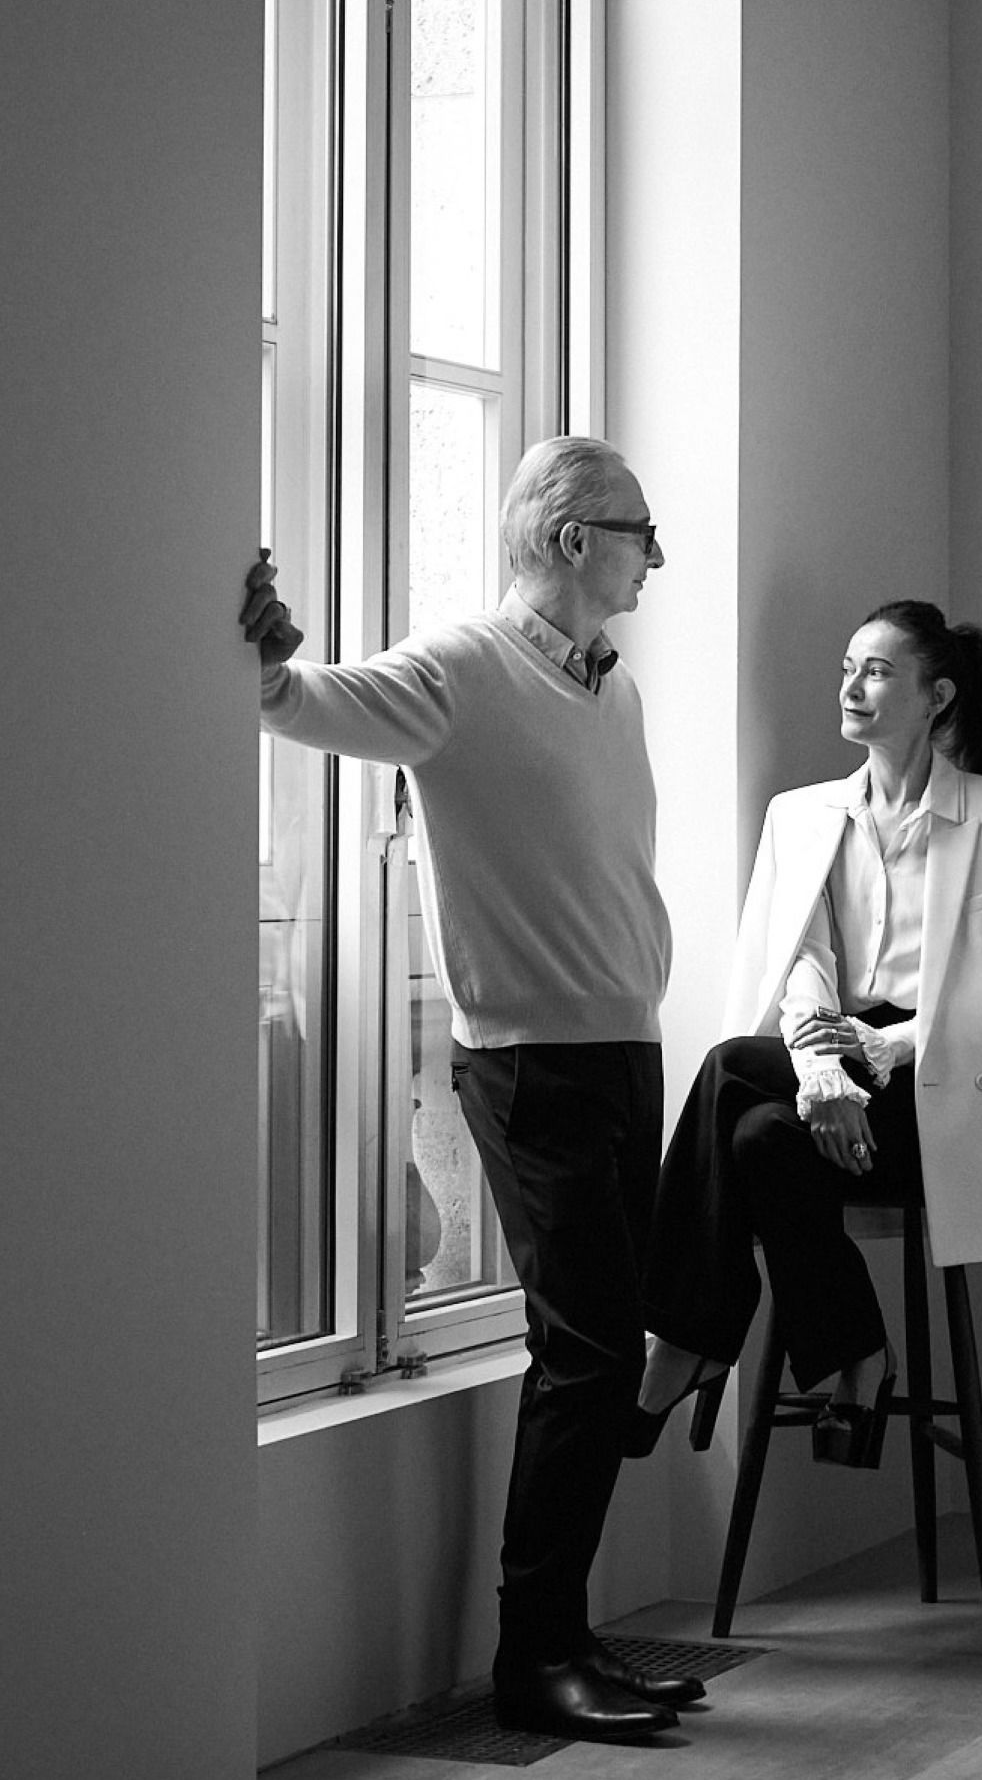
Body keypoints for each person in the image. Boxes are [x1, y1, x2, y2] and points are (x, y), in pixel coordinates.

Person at [240, 435, 702, 1744]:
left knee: (602, 1353)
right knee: (587, 1354)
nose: (655, 557)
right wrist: (261, 655)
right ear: (571, 539)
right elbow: (303, 702)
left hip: (623, 1046)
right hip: (528, 1061)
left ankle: (565, 1636)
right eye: (640, 532)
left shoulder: (614, 688)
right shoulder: (461, 668)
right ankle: (535, 1657)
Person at [625, 600, 982, 1467]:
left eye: (878, 671)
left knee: (731, 1069)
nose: (852, 685)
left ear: (937, 695)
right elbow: (800, 960)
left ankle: (688, 1337)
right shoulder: (802, 814)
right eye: (848, 667)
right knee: (759, 1131)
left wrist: (893, 1048)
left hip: (945, 1091)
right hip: (836, 1062)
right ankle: (860, 1353)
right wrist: (825, 1075)